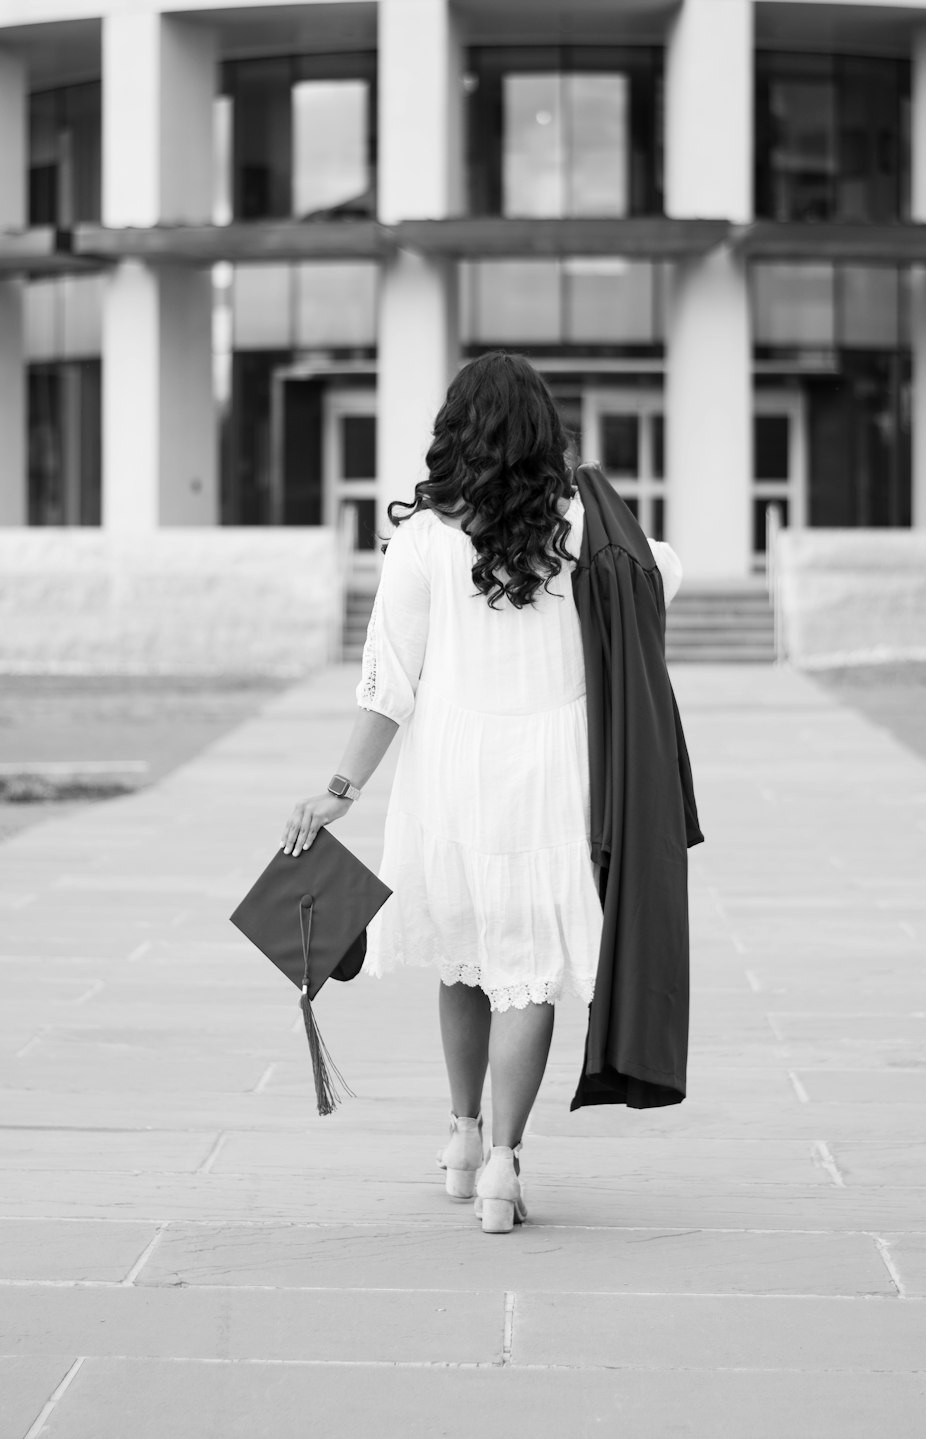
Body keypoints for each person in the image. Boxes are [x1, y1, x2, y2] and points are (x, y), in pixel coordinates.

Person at [281, 351, 682, 1233]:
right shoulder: (582, 527)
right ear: (545, 429)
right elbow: (663, 572)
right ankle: (503, 1164)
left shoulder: (425, 536)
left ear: (454, 429)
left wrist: (339, 790)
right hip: (553, 768)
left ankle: (461, 1137)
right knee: (527, 970)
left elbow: (389, 682)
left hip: (450, 769)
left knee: (463, 954)